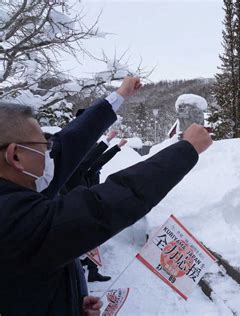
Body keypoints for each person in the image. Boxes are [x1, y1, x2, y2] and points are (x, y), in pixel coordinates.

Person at [0, 76, 212, 315]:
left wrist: (69, 304)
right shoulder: (13, 220)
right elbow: (106, 205)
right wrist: (185, 151)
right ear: (15, 156)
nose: (51, 155)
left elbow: (69, 144)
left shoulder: (13, 197)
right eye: (44, 147)